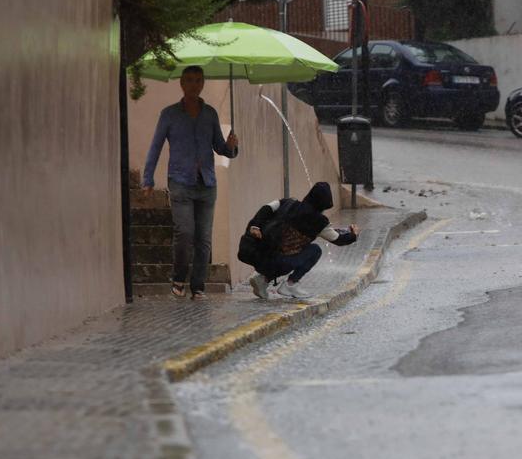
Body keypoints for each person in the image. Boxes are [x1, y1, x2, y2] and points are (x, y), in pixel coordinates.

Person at [142, 66, 239, 299]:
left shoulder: (210, 114)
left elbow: (220, 148)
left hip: (207, 184)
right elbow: (155, 147)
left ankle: (198, 287)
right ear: (182, 84)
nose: (194, 85)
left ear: (203, 83)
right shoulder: (169, 114)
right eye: (189, 80)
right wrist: (148, 179)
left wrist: (232, 146)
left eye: (198, 80)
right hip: (180, 183)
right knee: (184, 232)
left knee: (204, 238)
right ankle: (178, 278)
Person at [239, 182, 359, 300]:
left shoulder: (287, 203)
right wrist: (354, 235)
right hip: (277, 263)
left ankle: (263, 280)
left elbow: (266, 208)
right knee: (314, 250)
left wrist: (255, 226)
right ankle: (291, 284)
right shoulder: (319, 222)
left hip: (257, 256)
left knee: (285, 252)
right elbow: (338, 239)